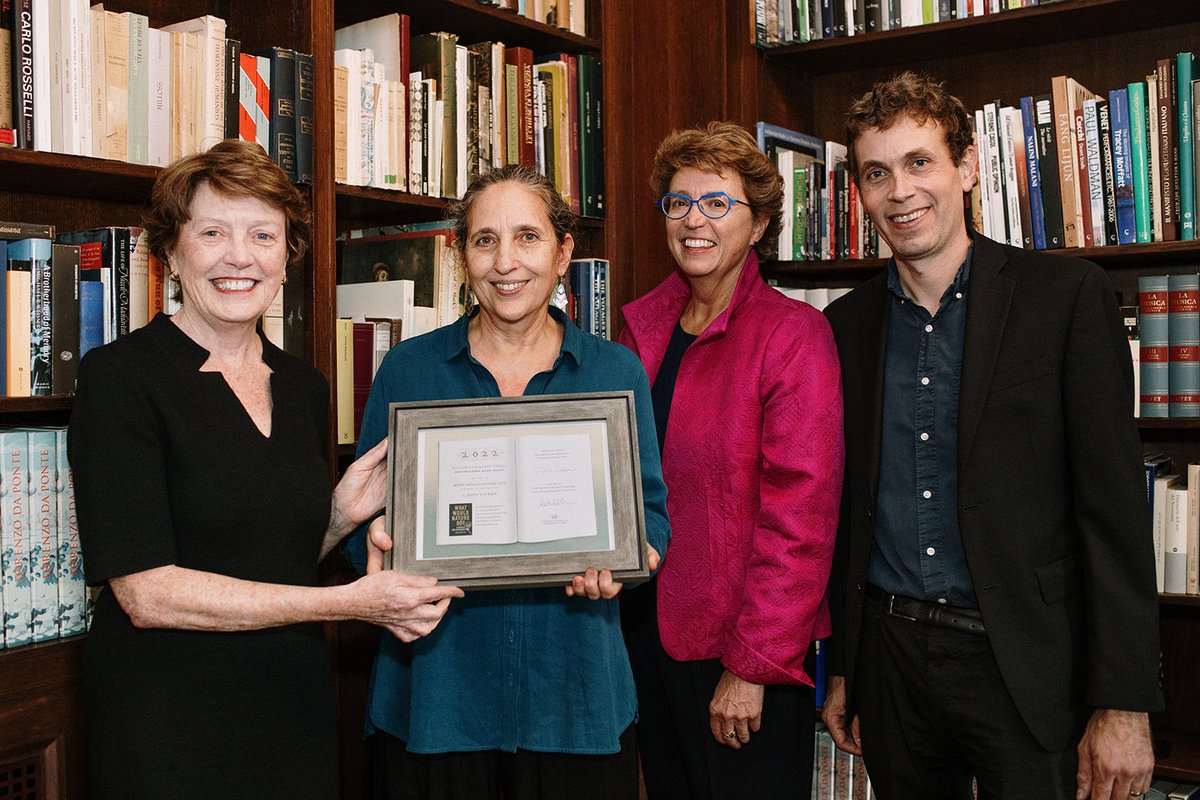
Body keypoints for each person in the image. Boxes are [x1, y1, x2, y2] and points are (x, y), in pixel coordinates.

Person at [68, 139, 462, 799]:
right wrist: (345, 604)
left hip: (288, 702)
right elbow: (146, 594)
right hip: (168, 716)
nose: (239, 257)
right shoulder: (120, 379)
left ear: (287, 254)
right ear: (170, 249)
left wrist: (339, 513)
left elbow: (269, 555)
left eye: (263, 234)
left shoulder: (301, 385)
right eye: (213, 231)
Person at [821, 72, 1163, 800]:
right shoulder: (842, 329)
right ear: (860, 192)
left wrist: (1123, 701)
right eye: (877, 173)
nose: (900, 191)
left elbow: (1114, 513)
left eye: (920, 163)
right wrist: (847, 665)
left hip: (1024, 663)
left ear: (968, 167)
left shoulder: (1066, 299)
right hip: (891, 662)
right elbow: (847, 510)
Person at [345, 163, 671, 800]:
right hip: (436, 703)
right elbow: (365, 528)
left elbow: (649, 517)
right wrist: (380, 549)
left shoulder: (615, 372)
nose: (506, 262)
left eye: (528, 236)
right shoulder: (409, 371)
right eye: (485, 240)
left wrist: (630, 561)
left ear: (563, 251)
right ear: (461, 256)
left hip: (574, 703)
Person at [618, 121, 844, 799]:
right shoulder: (638, 328)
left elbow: (800, 520)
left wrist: (754, 665)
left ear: (761, 222)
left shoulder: (793, 337)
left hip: (738, 652)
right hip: (641, 637)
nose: (694, 221)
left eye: (718, 203)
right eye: (678, 202)